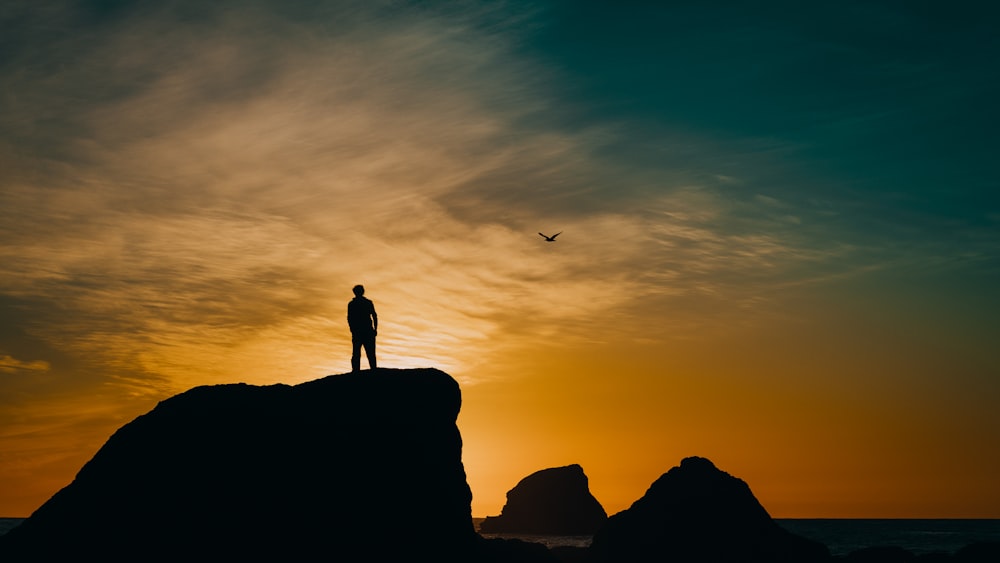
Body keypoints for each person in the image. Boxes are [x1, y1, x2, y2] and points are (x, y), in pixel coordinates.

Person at [347, 284, 378, 372]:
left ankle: (360, 371)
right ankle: (368, 370)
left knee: (364, 353)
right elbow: (374, 316)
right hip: (363, 331)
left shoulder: (353, 304)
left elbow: (374, 316)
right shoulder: (365, 303)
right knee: (364, 353)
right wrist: (375, 329)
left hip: (363, 331)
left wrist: (375, 329)